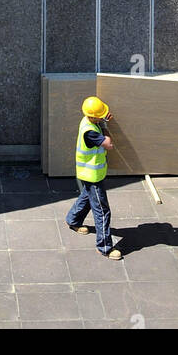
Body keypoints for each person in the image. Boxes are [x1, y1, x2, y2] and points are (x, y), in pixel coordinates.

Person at [65, 96, 122, 260]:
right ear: (93, 116)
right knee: (102, 211)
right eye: (100, 114)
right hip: (92, 176)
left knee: (87, 197)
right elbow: (109, 144)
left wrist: (102, 121)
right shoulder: (90, 132)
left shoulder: (88, 121)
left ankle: (73, 220)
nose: (103, 116)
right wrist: (106, 126)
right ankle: (104, 247)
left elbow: (99, 124)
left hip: (91, 174)